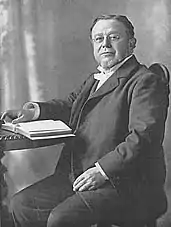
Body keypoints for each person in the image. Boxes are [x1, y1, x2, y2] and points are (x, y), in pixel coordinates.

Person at [2, 14, 169, 227]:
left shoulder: (144, 81)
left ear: (131, 43)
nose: (105, 44)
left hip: (123, 182)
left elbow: (143, 137)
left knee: (61, 219)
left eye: (114, 37)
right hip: (78, 174)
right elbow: (70, 106)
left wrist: (102, 171)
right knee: (21, 205)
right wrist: (33, 111)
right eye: (98, 39)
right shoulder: (96, 78)